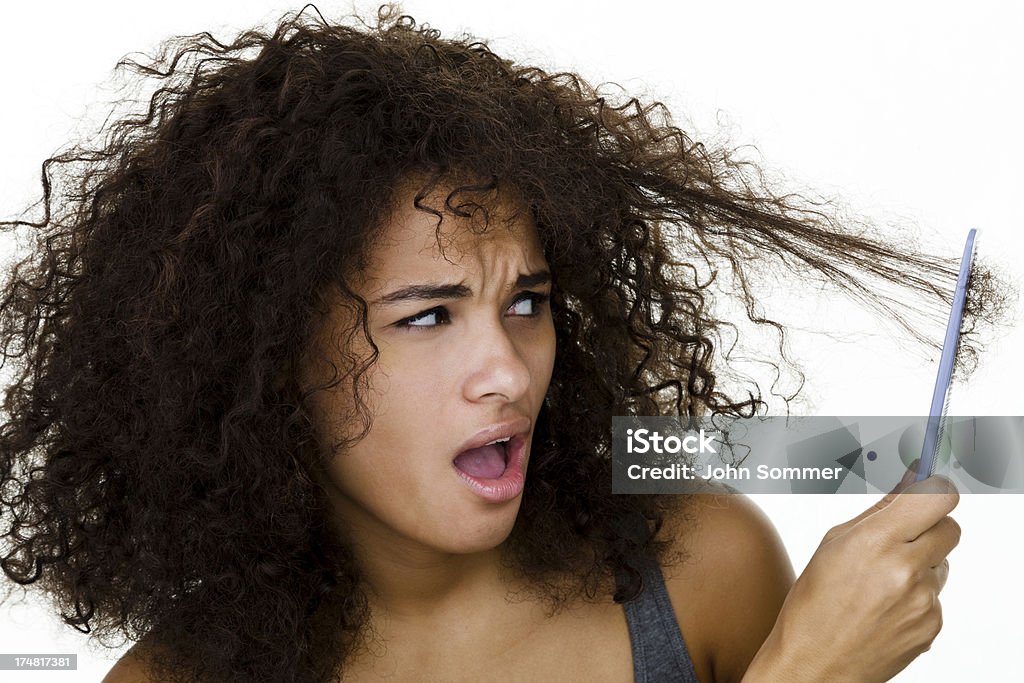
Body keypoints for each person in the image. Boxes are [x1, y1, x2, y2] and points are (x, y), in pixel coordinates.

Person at [0, 5, 996, 682]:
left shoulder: (701, 568)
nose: (509, 370)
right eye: (427, 316)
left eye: (527, 301)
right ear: (266, 367)